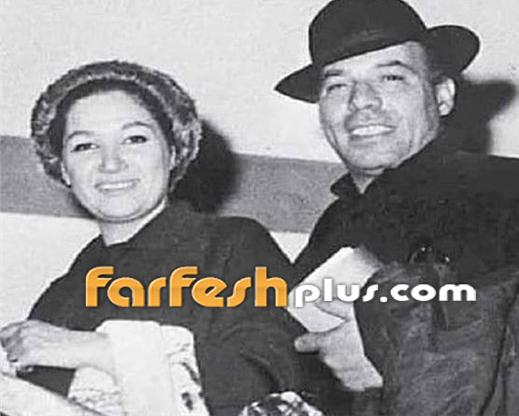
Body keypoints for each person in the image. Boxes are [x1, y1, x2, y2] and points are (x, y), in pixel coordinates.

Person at [275, 0, 519, 415]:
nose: (361, 101)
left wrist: (394, 354)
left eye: (391, 78)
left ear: (442, 96)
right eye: (337, 85)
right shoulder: (333, 227)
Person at [0, 60, 308, 416]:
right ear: (63, 169)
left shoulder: (232, 245)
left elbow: (270, 378)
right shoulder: (60, 296)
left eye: (135, 139)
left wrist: (98, 351)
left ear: (173, 151)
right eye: (85, 146)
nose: (111, 163)